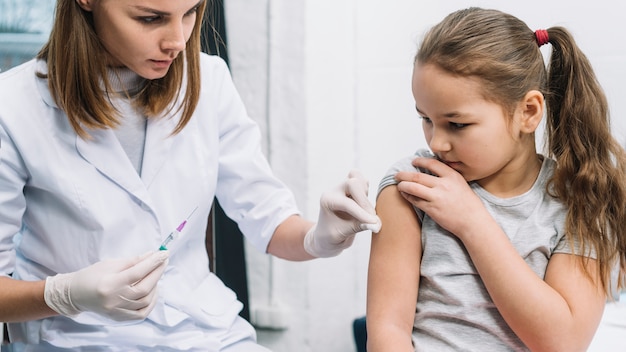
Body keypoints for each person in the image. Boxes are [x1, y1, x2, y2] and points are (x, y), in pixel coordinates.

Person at [0, 0, 382, 351]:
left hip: (206, 334)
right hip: (78, 339)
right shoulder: (14, 106)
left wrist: (320, 237)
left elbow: (271, 223)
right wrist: (63, 295)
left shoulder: (209, 81)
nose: (178, 41)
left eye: (191, 12)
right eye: (150, 18)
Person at [366, 7, 626, 352]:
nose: (437, 142)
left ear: (528, 112)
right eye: (426, 119)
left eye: (457, 124)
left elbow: (563, 342)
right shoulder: (411, 188)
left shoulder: (581, 202)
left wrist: (472, 222)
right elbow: (387, 331)